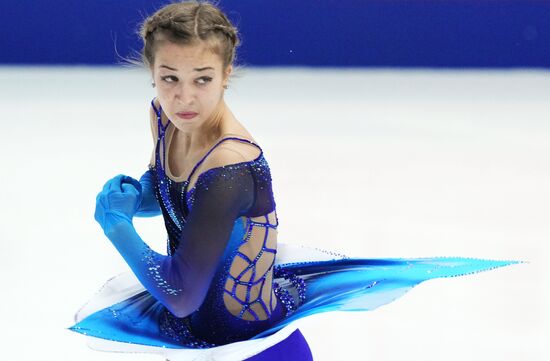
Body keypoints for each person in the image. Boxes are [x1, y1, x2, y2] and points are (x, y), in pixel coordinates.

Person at [68, 1, 518, 360]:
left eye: (201, 79)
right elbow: (173, 193)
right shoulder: (163, 118)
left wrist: (117, 226)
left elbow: (182, 295)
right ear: (152, 75)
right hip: (198, 344)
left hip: (259, 351)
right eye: (169, 79)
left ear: (226, 76)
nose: (183, 97)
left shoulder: (229, 167)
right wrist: (136, 195)